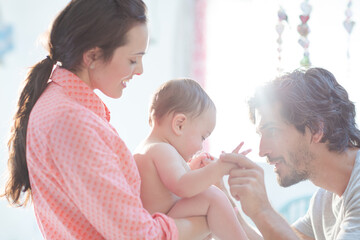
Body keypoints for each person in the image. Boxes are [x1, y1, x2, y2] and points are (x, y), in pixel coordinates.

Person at [1, 0, 210, 239]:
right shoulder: (71, 121)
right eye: (133, 59)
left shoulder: (64, 107)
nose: (140, 70)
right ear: (92, 56)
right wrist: (207, 220)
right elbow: (139, 236)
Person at [221, 67, 360, 240]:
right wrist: (224, 202)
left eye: (272, 130)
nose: (262, 150)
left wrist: (262, 210)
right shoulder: (324, 199)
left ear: (316, 129)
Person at [134, 78, 249, 240]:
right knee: (213, 197)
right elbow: (183, 187)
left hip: (166, 221)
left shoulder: (150, 148)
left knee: (208, 207)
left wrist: (191, 169)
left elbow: (173, 186)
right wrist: (219, 167)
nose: (201, 146)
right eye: (203, 137)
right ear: (179, 124)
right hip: (161, 225)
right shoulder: (161, 149)